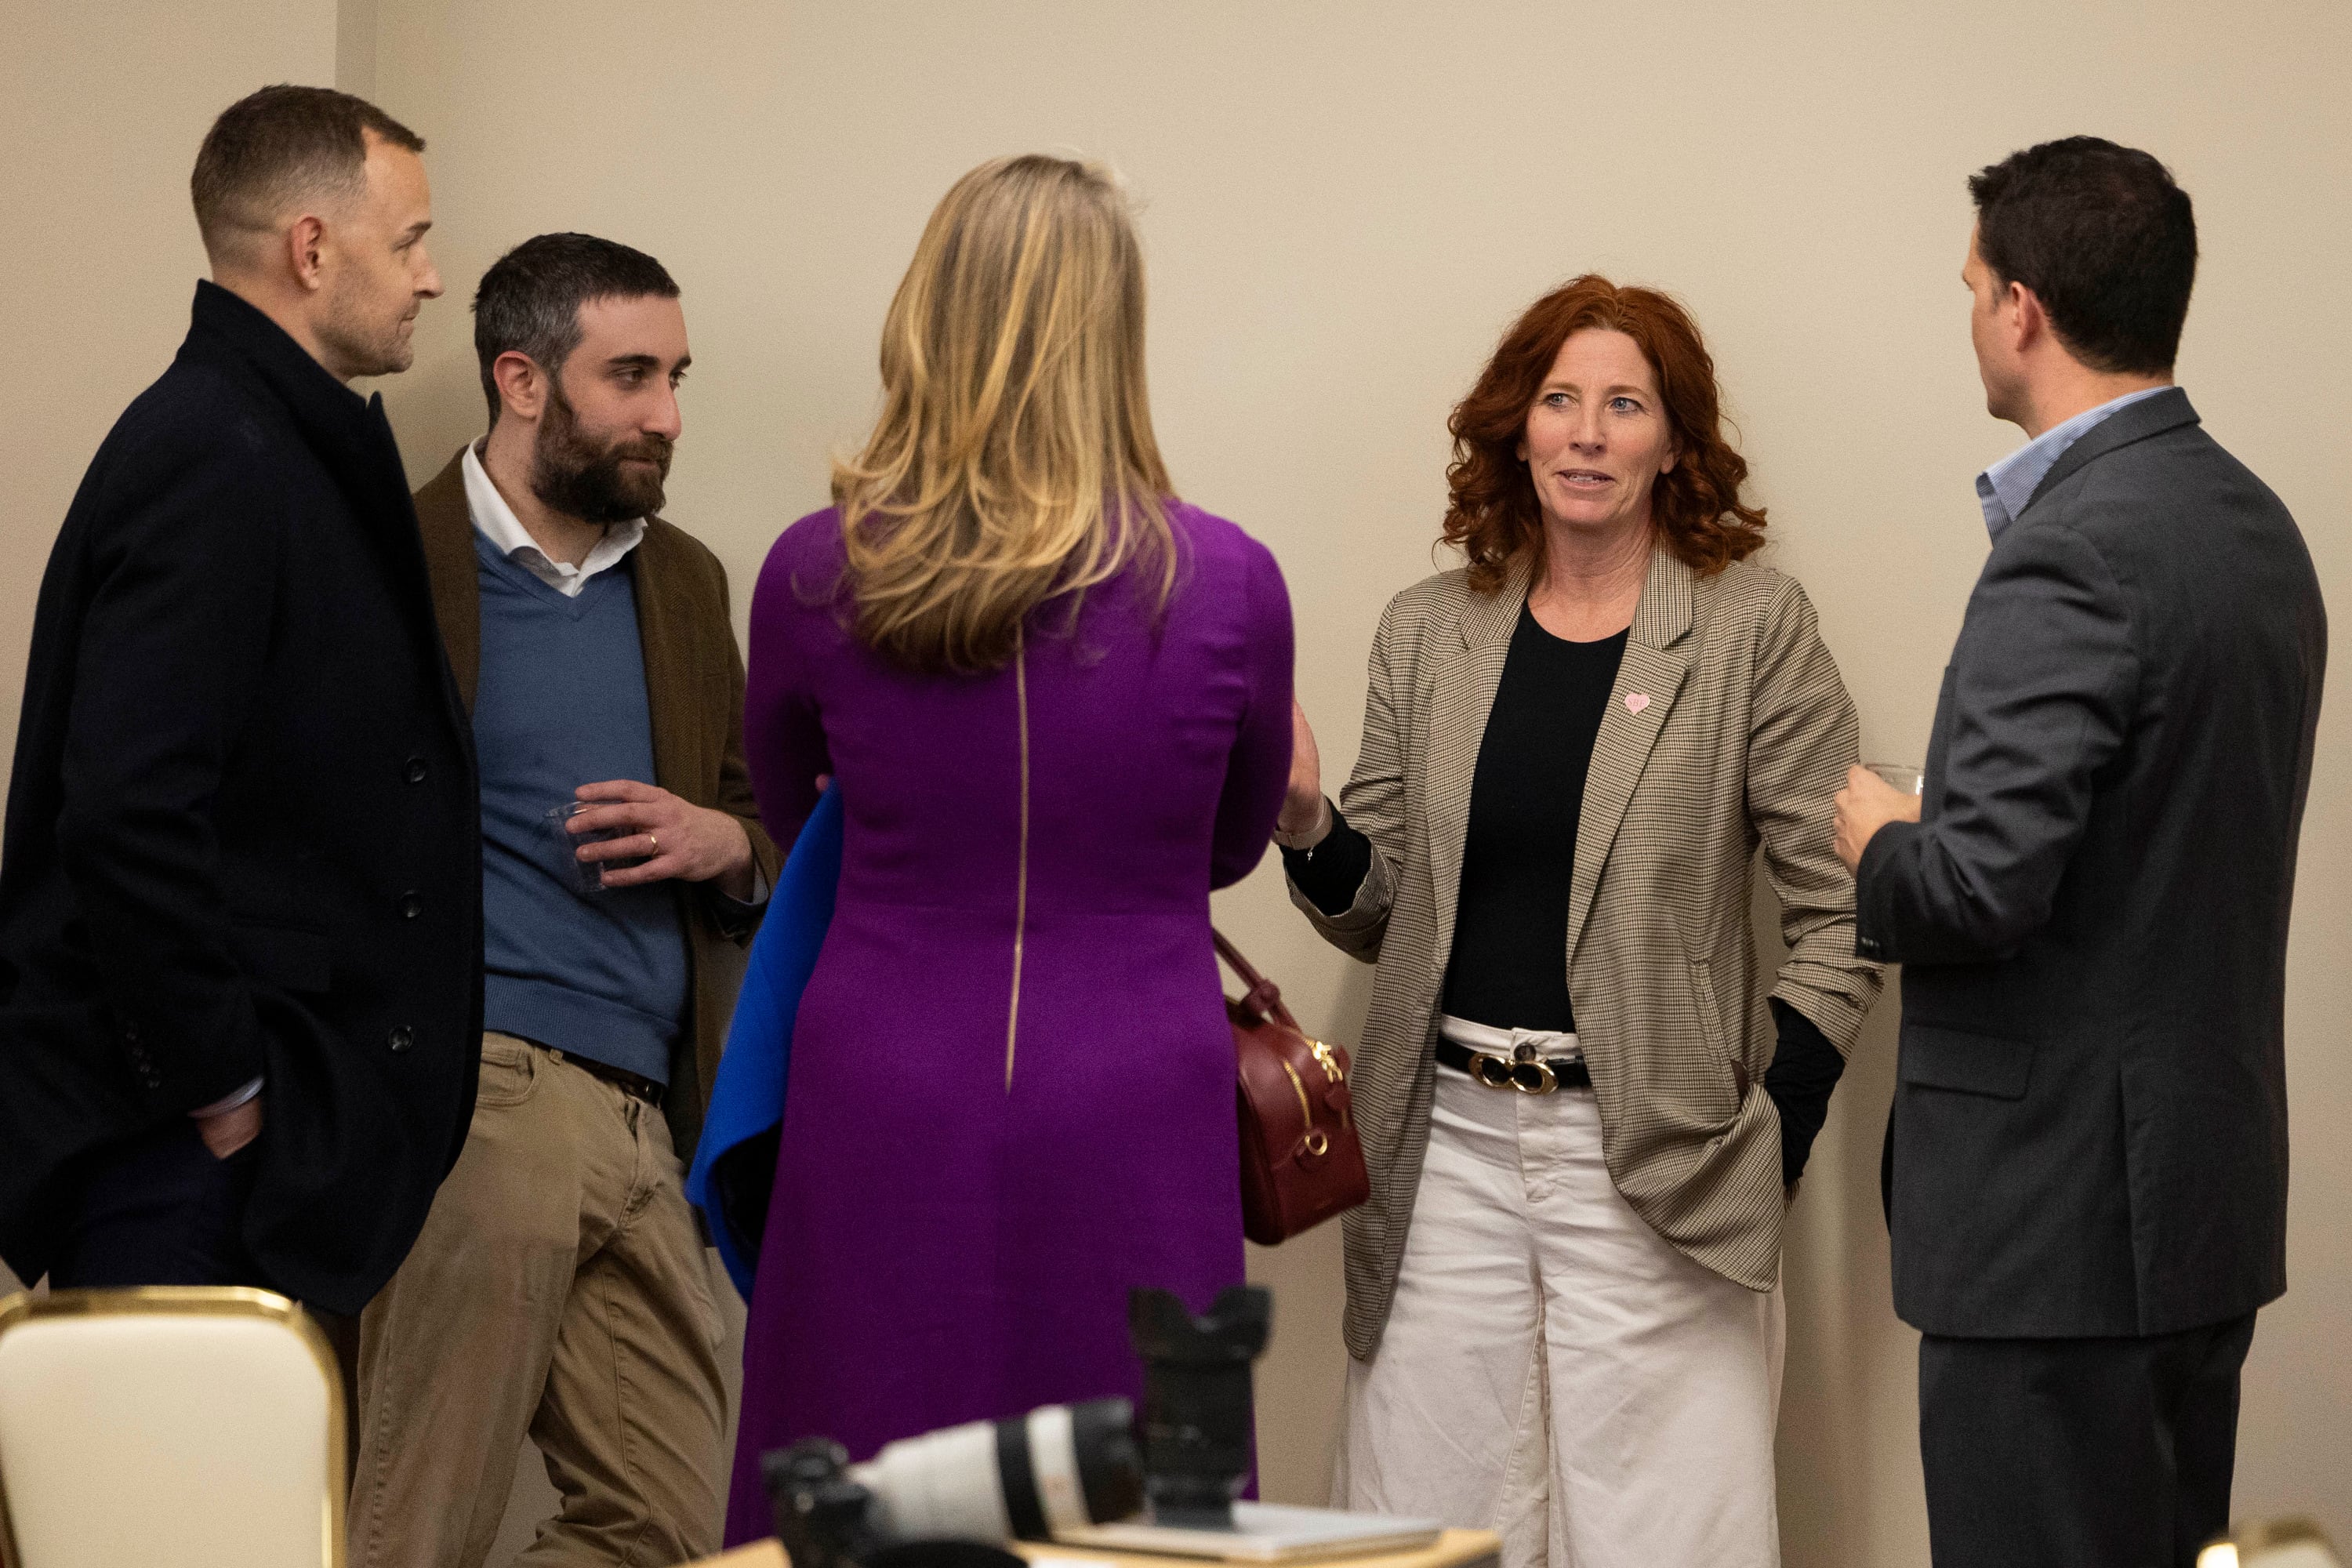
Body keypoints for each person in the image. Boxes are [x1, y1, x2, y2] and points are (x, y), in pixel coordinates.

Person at [722, 153, 1294, 1545]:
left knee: (858, 1474)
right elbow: (1229, 846)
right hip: (1136, 1085)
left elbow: (803, 817)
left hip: (886, 1069)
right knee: (1139, 1495)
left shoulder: (815, 568)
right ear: (1116, 332)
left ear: (931, 316)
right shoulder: (1232, 581)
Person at [1284, 275, 1881, 1568]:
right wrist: (1302, 822)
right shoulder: (1427, 631)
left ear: (1675, 439)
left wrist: (1775, 1119)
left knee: (1674, 1540)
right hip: (1446, 1156)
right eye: (1560, 400)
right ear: (1518, 427)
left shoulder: (1748, 628)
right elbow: (1381, 908)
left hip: (1660, 1157)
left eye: (1625, 403)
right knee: (1422, 1533)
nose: (1589, 432)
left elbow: (1843, 899)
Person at [1835, 138, 2325, 1567]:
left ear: (2023, 311)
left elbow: (1978, 888)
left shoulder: (2070, 550)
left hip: (2050, 1237)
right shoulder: (2256, 530)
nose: (1973, 309)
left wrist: (1880, 838)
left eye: (1974, 282)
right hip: (2194, 1210)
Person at [0, 85, 477, 1315]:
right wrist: (225, 1094)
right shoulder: (216, 449)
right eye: (412, 239)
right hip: (182, 1153)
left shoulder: (274, 440)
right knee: (148, 1512)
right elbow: (125, 810)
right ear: (312, 250)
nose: (432, 277)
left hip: (245, 1151)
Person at [350, 234, 779, 1568]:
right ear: (523, 380)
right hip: (484, 1099)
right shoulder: (384, 560)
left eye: (676, 376)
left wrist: (727, 841)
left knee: (660, 1529)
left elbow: (762, 823)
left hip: (653, 1126)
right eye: (632, 375)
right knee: (422, 1520)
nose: (667, 413)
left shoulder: (690, 580)